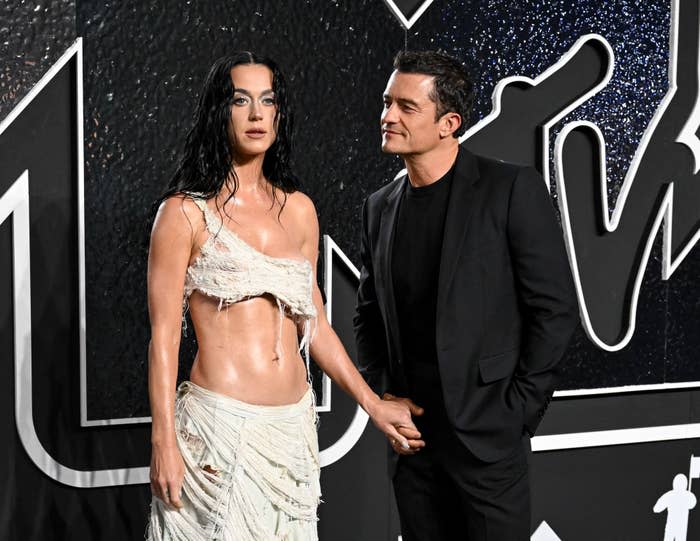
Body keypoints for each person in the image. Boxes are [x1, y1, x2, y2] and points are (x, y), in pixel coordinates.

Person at [146, 51, 416, 541]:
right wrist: (163, 439)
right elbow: (163, 337)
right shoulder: (183, 214)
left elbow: (314, 323)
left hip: (292, 431)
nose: (255, 114)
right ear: (218, 112)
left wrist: (373, 404)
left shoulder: (299, 211)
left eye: (267, 101)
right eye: (240, 100)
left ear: (279, 114)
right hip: (218, 429)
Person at [354, 50, 579, 540]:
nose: (387, 116)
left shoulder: (509, 189)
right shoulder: (379, 208)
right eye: (387, 102)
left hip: (488, 442)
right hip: (414, 450)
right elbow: (368, 313)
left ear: (448, 123)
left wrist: (516, 413)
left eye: (406, 107)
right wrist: (383, 392)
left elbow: (555, 311)